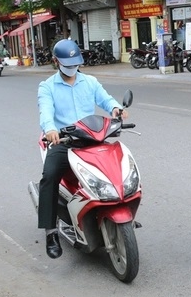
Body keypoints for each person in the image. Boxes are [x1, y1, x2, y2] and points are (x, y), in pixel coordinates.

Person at [36, 39, 128, 259]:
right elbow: (45, 112)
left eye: (75, 62)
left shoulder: (90, 82)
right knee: (49, 178)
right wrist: (50, 129)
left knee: (116, 169)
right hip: (63, 142)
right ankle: (51, 231)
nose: (72, 67)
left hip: (91, 138)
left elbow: (105, 99)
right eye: (66, 63)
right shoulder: (47, 86)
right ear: (56, 61)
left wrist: (116, 108)